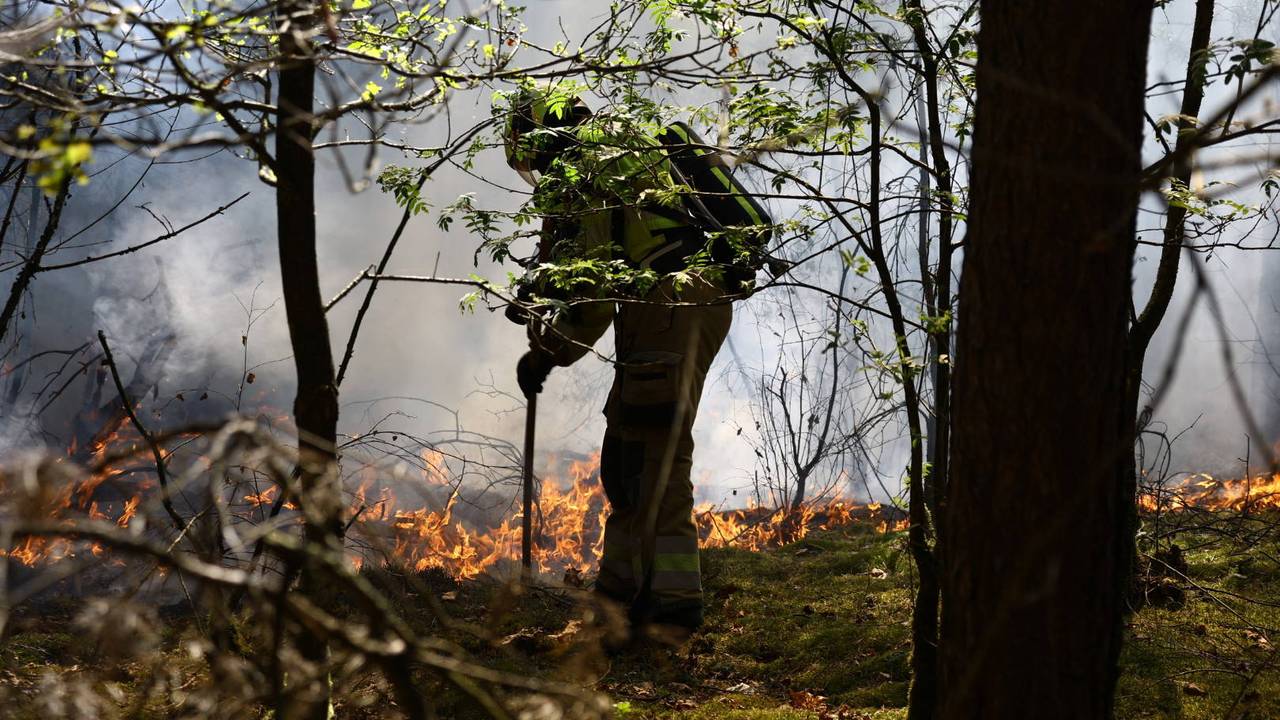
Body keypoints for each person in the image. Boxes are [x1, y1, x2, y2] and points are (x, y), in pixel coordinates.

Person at [504, 88, 738, 639]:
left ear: (542, 138)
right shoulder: (628, 144)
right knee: (644, 458)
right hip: (685, 306)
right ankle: (638, 605)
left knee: (646, 461)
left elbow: (593, 287)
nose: (536, 170)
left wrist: (549, 352)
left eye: (531, 156)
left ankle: (652, 614)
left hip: (666, 309)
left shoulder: (584, 169)